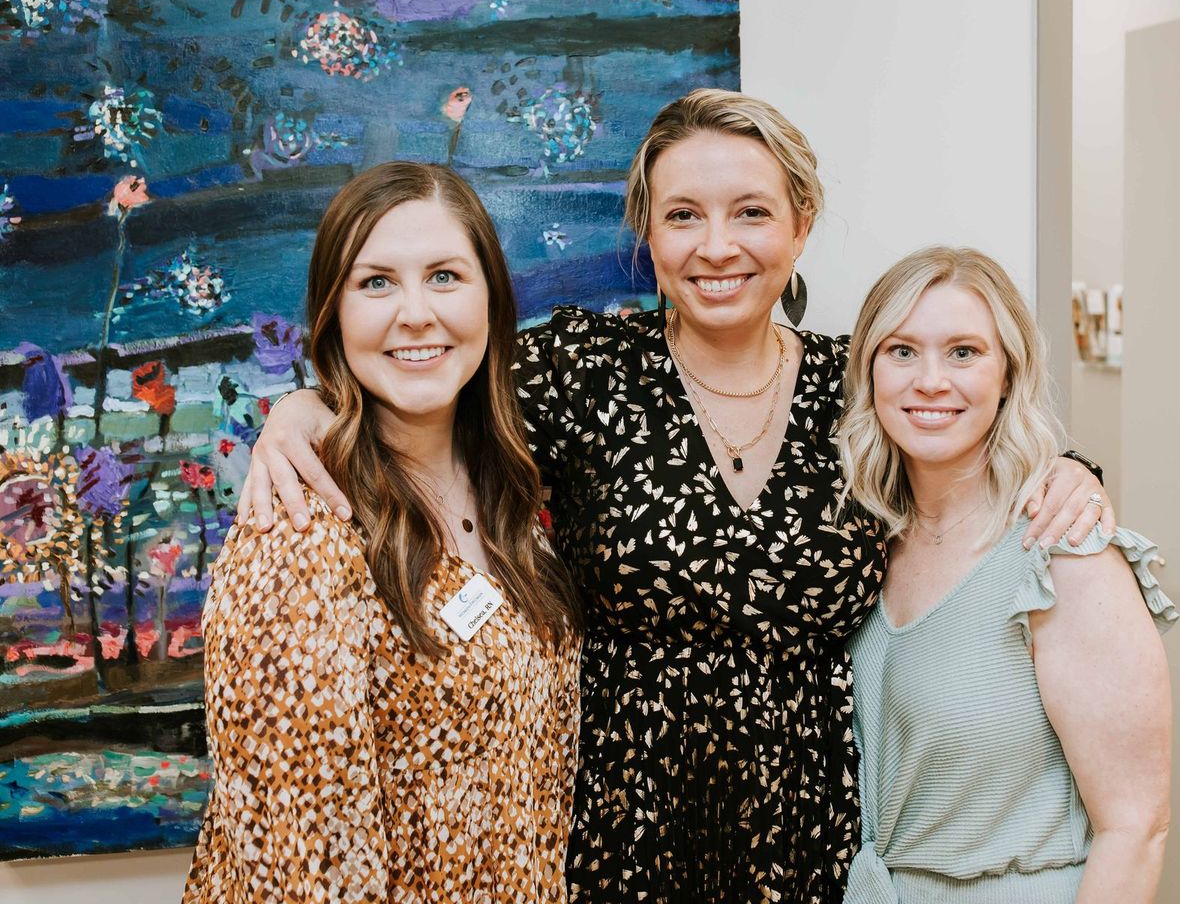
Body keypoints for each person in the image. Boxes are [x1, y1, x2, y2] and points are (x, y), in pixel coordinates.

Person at [235, 92, 1111, 902]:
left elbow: (974, 433)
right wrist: (303, 404)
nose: (716, 245)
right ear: (647, 236)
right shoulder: (583, 370)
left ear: (801, 226)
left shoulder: (860, 384)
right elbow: (428, 382)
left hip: (814, 842)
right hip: (621, 842)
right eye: (683, 216)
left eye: (752, 213)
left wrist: (1070, 470)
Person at [184, 162, 583, 903]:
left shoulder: (513, 495)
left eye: (444, 276)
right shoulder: (300, 530)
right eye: (376, 283)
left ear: (493, 301)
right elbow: (299, 867)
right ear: (333, 315)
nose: (415, 314)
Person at [837, 246, 1177, 903]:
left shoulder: (1063, 552)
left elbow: (1135, 828)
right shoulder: (864, 547)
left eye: (964, 352)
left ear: (1007, 375)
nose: (931, 380)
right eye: (901, 351)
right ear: (868, 373)